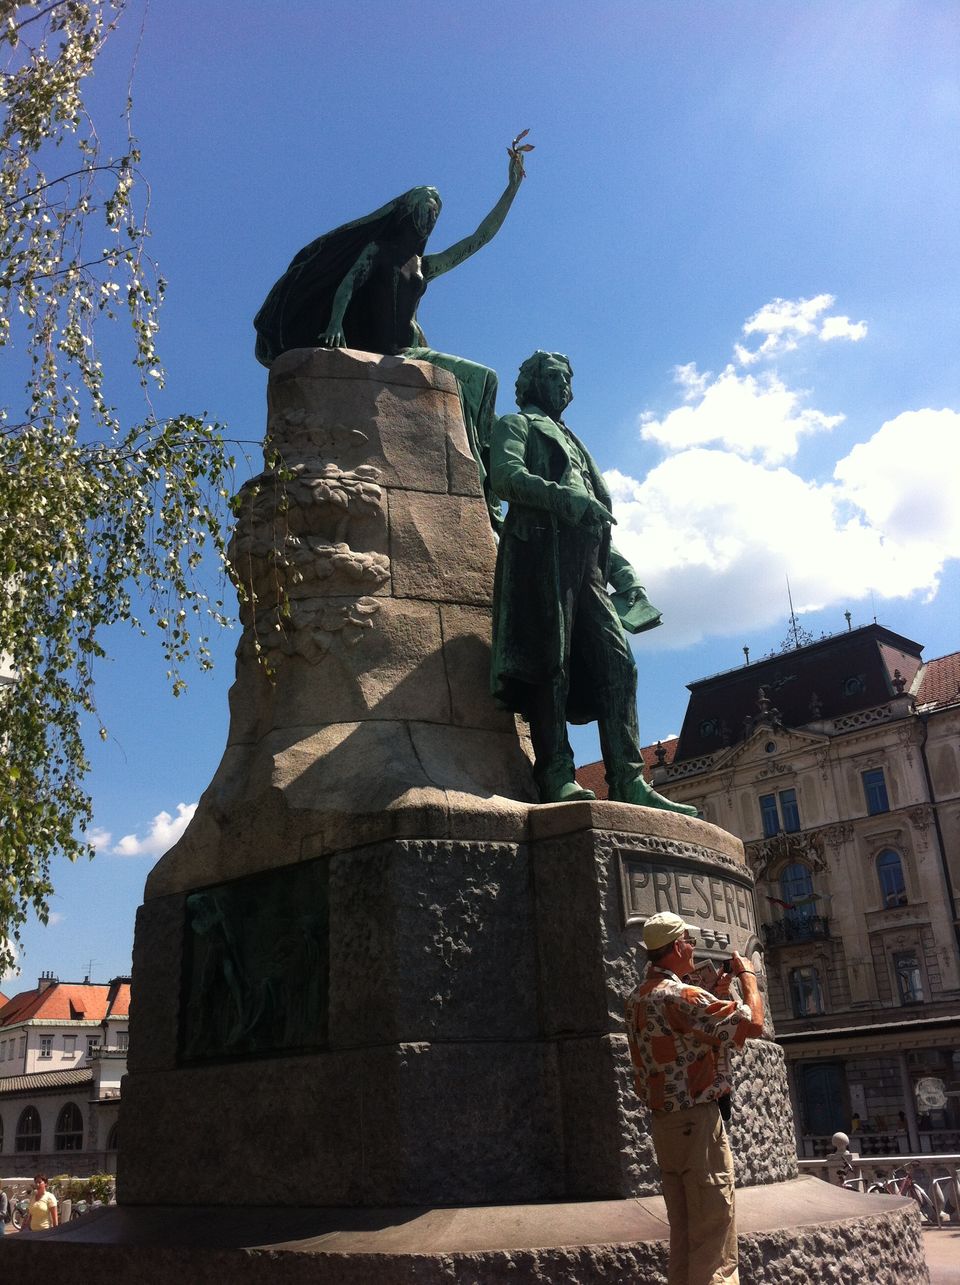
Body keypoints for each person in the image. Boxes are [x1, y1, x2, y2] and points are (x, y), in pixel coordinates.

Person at [254, 152, 527, 528]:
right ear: (407, 211)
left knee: (486, 378)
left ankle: (487, 481)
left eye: (435, 211)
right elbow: (349, 283)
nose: (430, 216)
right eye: (425, 208)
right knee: (482, 380)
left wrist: (511, 189)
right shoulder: (378, 252)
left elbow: (476, 240)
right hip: (384, 349)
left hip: (412, 351)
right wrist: (335, 324)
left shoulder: (424, 266)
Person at [489, 350, 699, 808]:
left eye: (568, 379)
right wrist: (561, 498)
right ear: (531, 383)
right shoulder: (517, 424)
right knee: (552, 665)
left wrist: (628, 580)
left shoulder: (575, 441)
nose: (565, 387)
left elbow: (598, 521)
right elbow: (504, 478)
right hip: (541, 555)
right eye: (554, 378)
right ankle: (555, 773)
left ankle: (628, 781)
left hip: (587, 566)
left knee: (619, 664)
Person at [625, 911, 765, 1285]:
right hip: (697, 1123)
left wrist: (716, 995)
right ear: (675, 947)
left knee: (685, 1236)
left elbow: (686, 1039)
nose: (692, 946)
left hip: (666, 1125)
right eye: (688, 940)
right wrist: (748, 977)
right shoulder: (682, 995)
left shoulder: (637, 999)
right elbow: (753, 1023)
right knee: (715, 1241)